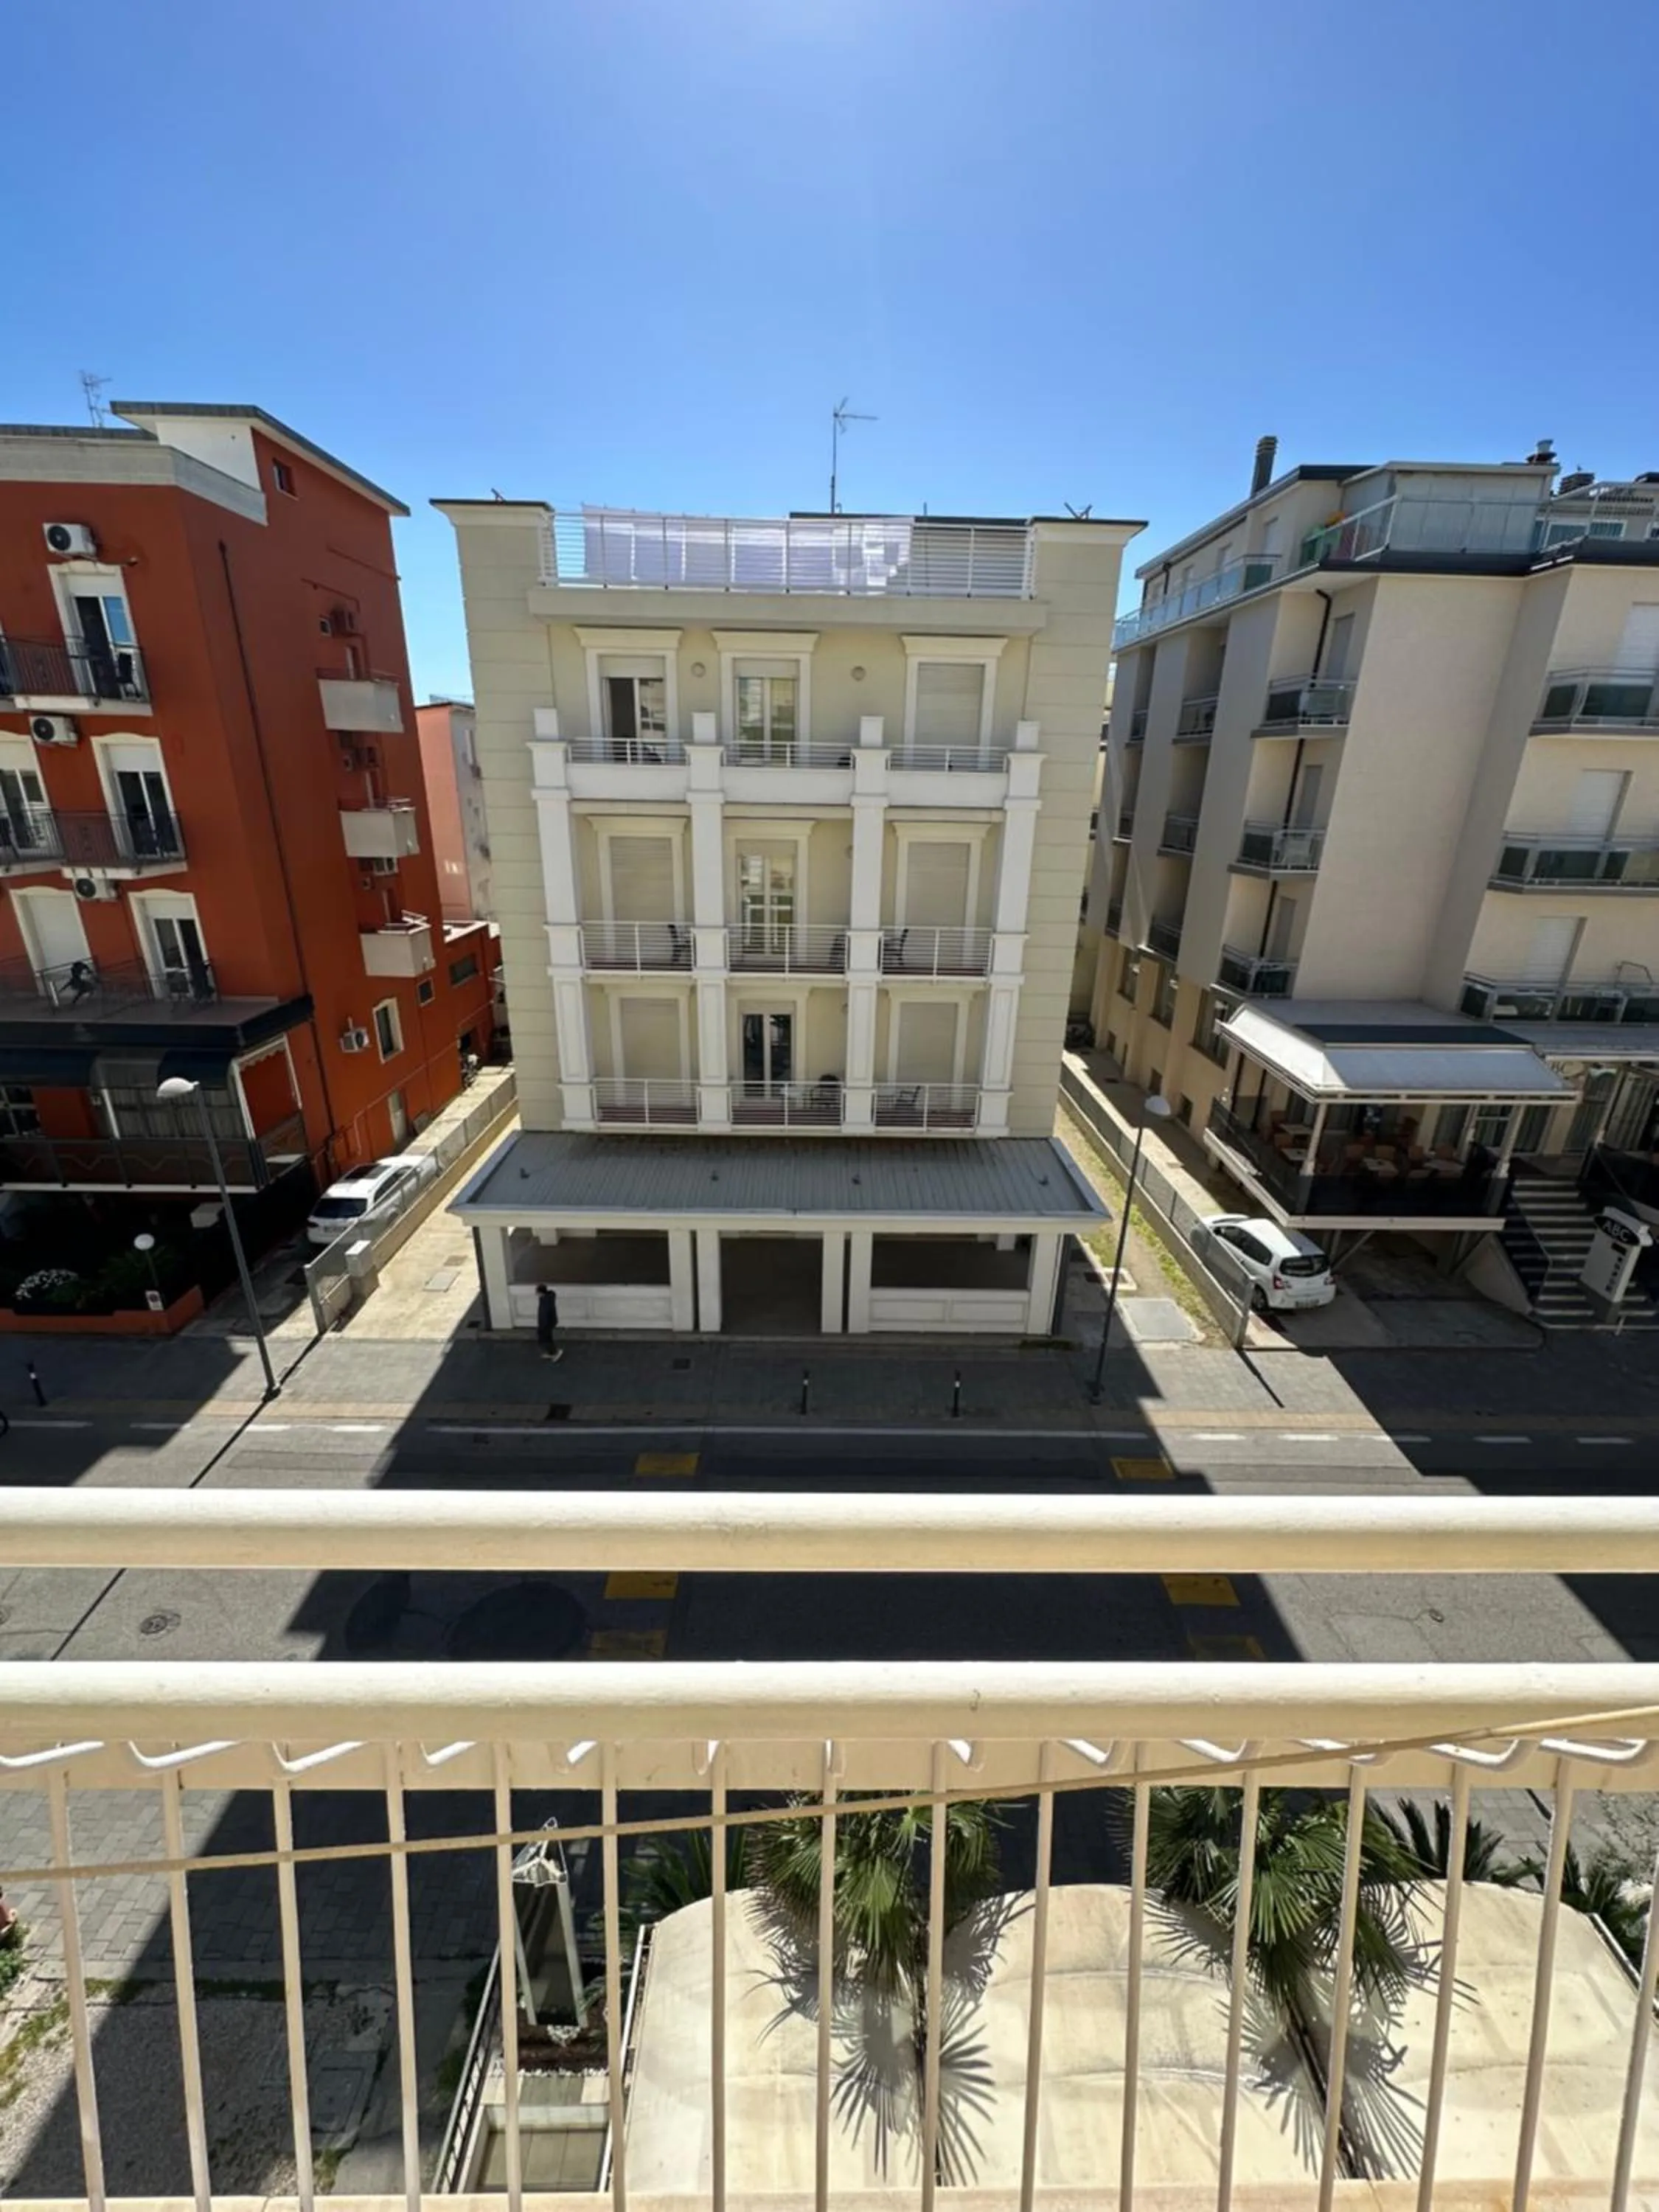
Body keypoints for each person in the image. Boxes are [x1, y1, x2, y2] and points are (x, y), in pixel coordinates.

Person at [535, 1281, 562, 1362]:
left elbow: (543, 1315)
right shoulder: (547, 1298)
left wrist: (541, 1327)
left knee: (546, 1339)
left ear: (541, 1292)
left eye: (537, 1292)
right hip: (550, 1321)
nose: (536, 1293)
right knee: (548, 1338)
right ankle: (551, 1352)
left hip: (546, 1323)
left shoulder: (544, 1302)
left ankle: (555, 1352)